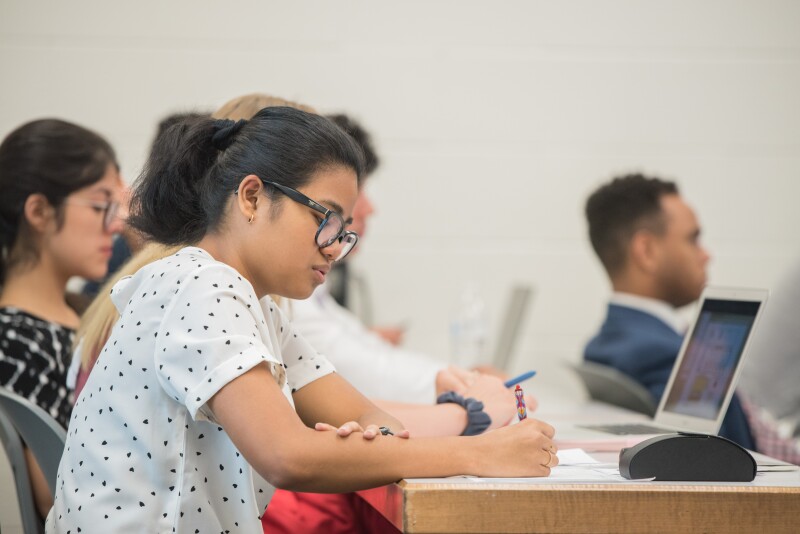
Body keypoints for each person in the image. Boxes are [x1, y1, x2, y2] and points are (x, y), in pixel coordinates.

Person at [46, 107, 557, 533]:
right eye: (326, 218)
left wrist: (357, 444)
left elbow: (380, 422)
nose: (336, 247)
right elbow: (288, 456)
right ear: (251, 196)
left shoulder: (257, 306)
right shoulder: (201, 286)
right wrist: (478, 455)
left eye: (344, 230)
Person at [288, 113, 514, 405]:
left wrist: (459, 379)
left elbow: (366, 355)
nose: (366, 209)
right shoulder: (284, 296)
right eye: (357, 192)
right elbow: (358, 370)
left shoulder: (307, 296)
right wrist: (462, 386)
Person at [0, 118, 124, 518]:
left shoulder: (84, 315)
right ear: (38, 211)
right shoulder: (15, 340)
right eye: (100, 205)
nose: (116, 224)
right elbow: (55, 495)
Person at [582, 173, 755, 449]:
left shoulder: (603, 345)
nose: (706, 254)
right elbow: (724, 459)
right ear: (646, 250)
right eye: (693, 239)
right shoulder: (667, 355)